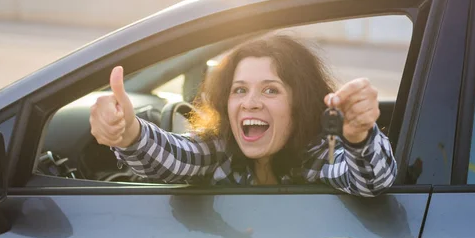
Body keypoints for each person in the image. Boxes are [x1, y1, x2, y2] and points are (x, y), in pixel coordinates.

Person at [90, 33, 397, 197]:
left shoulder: (319, 154)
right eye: (239, 90)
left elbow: (372, 181)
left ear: (299, 103)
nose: (249, 103)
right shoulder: (218, 150)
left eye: (270, 90)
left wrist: (359, 135)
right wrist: (128, 131)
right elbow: (178, 155)